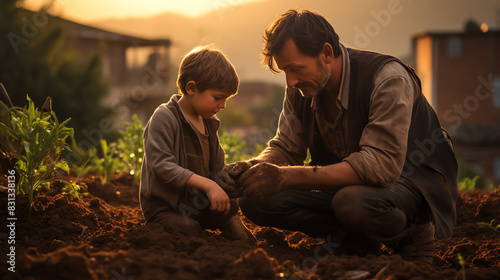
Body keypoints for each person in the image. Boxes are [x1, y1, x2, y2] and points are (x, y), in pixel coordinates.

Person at [220, 10, 458, 263]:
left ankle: (413, 233)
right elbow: (287, 148)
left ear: (326, 53)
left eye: (296, 69)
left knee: (353, 202)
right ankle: (354, 240)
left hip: (410, 180)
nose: (290, 82)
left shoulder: (388, 79)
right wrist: (253, 168)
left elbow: (380, 167)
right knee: (255, 198)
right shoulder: (302, 87)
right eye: (285, 71)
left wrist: (284, 177)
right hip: (350, 183)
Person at [140, 45, 253, 242]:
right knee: (189, 231)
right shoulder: (165, 117)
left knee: (229, 215)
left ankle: (231, 230)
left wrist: (229, 179)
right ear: (191, 88)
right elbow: (161, 165)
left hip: (198, 204)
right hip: (166, 208)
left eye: (225, 99)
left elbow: (217, 168)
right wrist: (208, 184)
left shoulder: (209, 123)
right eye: (218, 97)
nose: (223, 105)